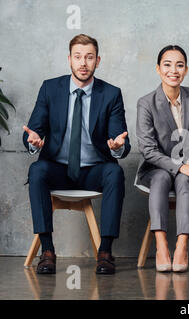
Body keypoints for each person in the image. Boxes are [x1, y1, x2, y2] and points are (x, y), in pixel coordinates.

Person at [23, 34, 130, 275]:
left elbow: (120, 137)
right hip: (58, 170)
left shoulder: (111, 94)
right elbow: (34, 129)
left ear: (98, 61)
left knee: (114, 172)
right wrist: (34, 142)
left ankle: (105, 252)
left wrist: (117, 146)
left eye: (89, 57)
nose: (83, 63)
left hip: (94, 171)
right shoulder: (50, 88)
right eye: (78, 57)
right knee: (37, 170)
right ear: (69, 59)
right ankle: (48, 251)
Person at [136, 45, 189, 272]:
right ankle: (161, 245)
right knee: (160, 179)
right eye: (167, 64)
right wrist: (179, 166)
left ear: (186, 70)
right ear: (158, 69)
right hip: (156, 166)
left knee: (185, 180)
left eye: (179, 65)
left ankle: (181, 246)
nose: (173, 70)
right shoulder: (146, 103)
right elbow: (148, 150)